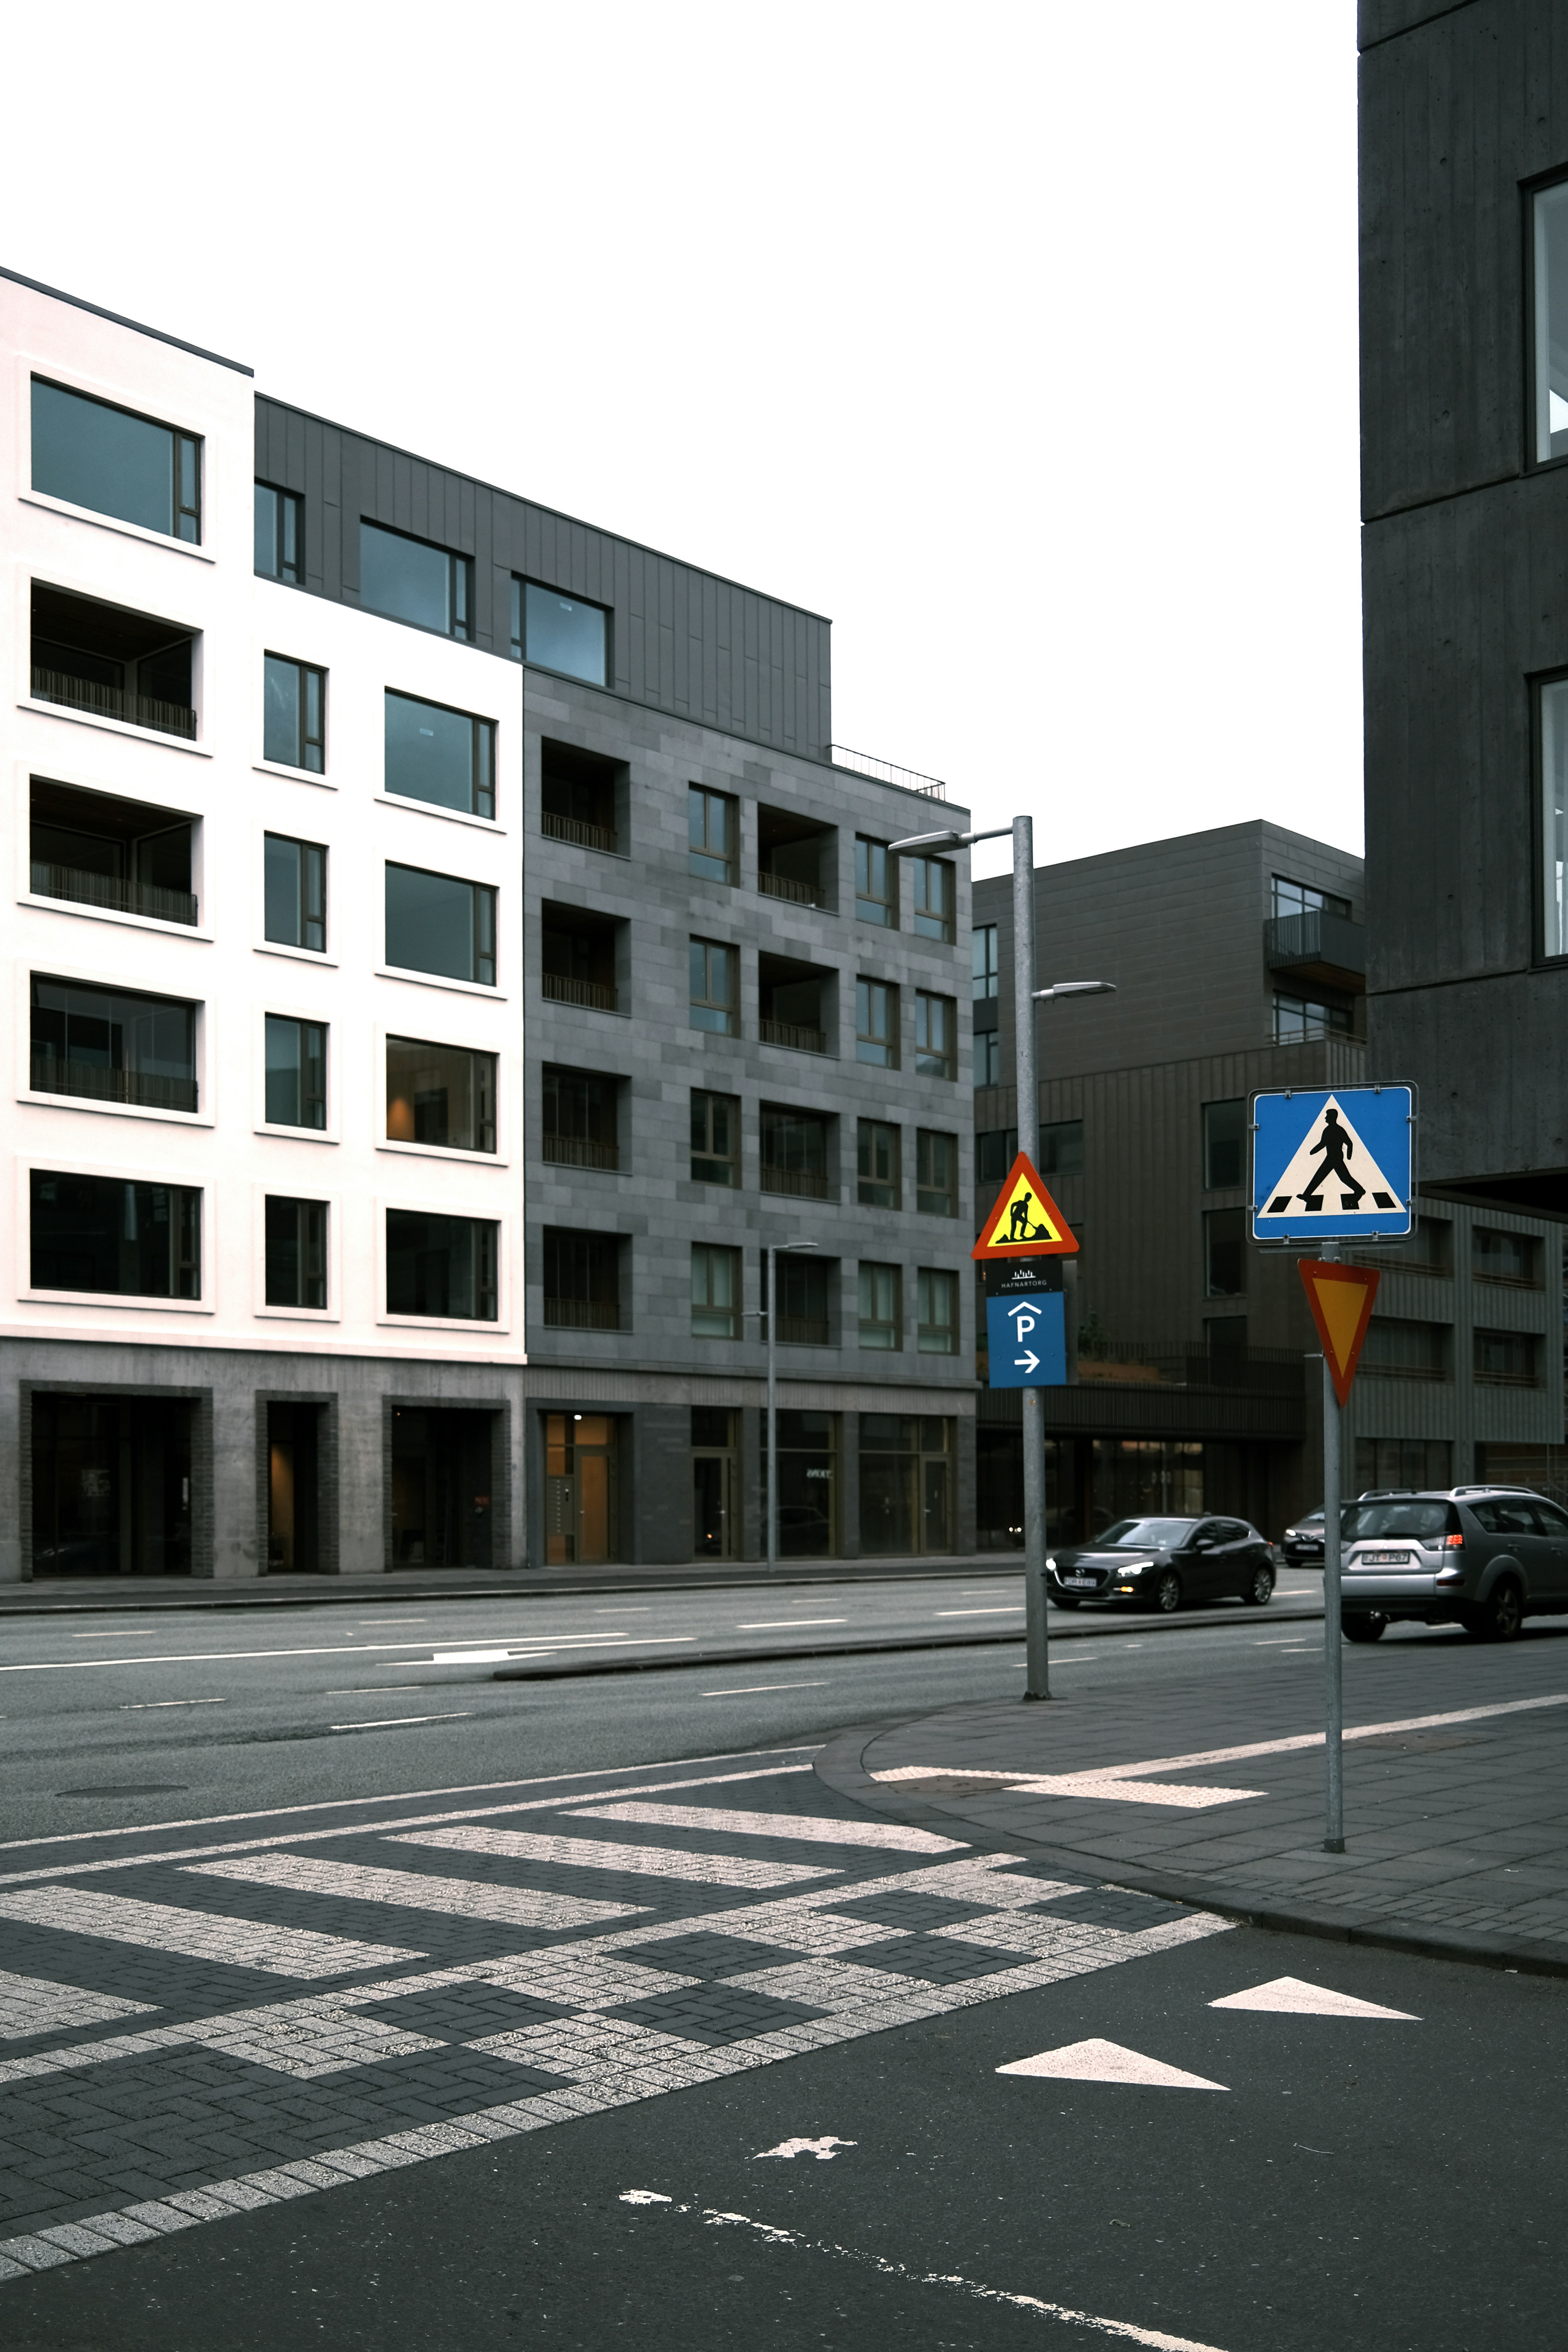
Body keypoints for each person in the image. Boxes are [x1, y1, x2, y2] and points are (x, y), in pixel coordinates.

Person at [1301, 1107, 1364, 1208]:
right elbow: (1324, 1143)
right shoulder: (1330, 1130)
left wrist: (1349, 1157)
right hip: (1332, 1157)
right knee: (1325, 1176)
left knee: (1337, 1177)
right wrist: (1313, 1151)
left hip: (1335, 1158)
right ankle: (1306, 1195)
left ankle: (1360, 1190)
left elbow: (1349, 1143)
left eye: (1327, 1116)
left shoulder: (1336, 1130)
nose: (1325, 1118)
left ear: (1332, 1118)